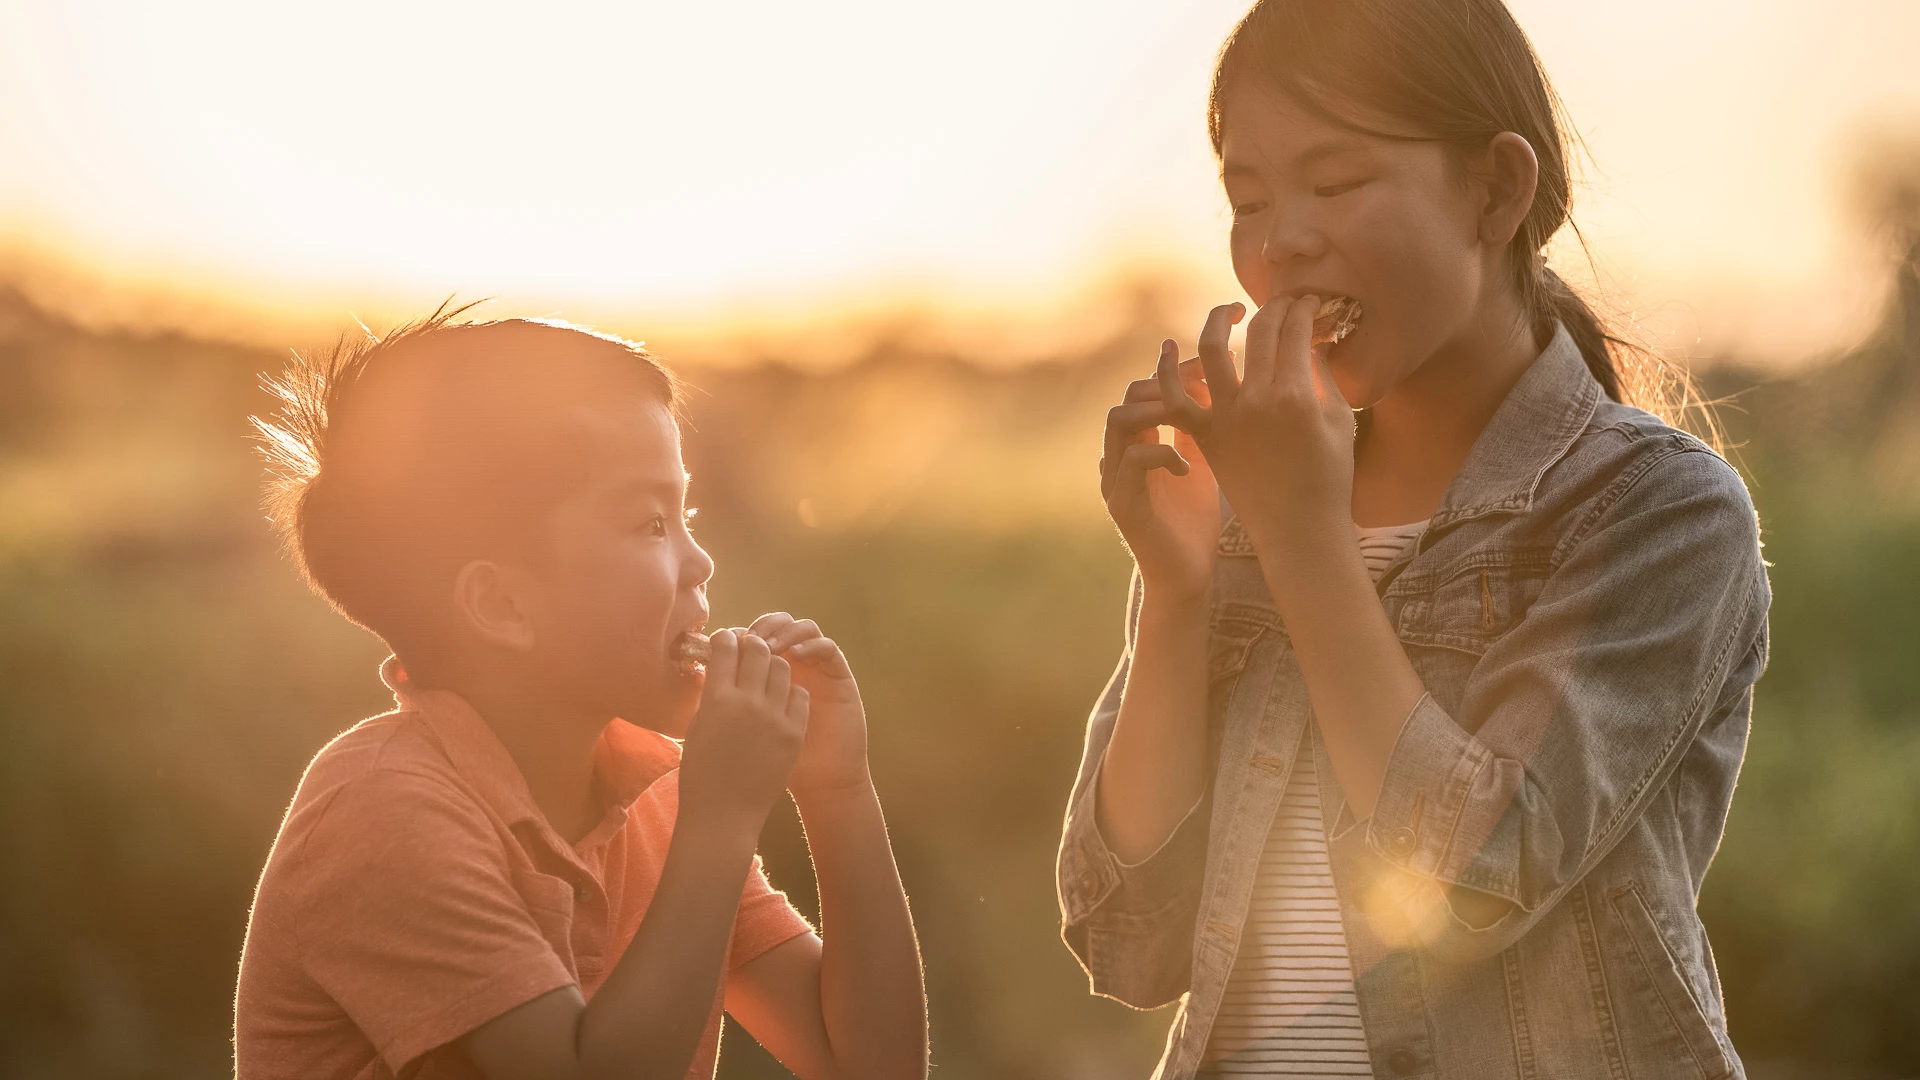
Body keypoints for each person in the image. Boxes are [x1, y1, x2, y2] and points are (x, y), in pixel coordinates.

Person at [1057, 1, 1769, 1077]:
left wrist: (1303, 538)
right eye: (1248, 201)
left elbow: (1476, 879)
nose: (1282, 238)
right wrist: (1177, 589)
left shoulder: (1657, 512)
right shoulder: (1246, 508)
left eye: (1336, 183)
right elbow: (1128, 939)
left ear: (1495, 190)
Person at [234, 309, 927, 1080]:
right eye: (650, 522)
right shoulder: (382, 808)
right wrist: (723, 819)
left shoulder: (656, 799)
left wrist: (836, 788)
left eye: (686, 514)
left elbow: (874, 1066)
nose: (700, 564)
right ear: (504, 607)